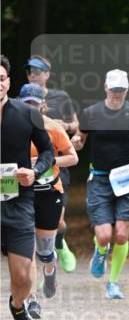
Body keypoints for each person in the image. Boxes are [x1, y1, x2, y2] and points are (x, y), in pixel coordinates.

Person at [73, 69, 129, 299]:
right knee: (104, 235)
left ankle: (113, 283)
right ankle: (100, 249)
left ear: (127, 89)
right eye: (114, 89)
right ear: (105, 87)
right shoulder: (91, 113)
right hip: (100, 177)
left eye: (121, 89)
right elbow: (80, 138)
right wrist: (76, 142)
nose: (117, 93)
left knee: (122, 235)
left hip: (127, 178)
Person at [0, 56, 54, 320]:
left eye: (1, 78)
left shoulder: (26, 114)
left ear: (8, 82)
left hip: (19, 200)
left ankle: (18, 306)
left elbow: (47, 151)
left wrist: (34, 172)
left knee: (22, 276)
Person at [18, 83, 78, 317]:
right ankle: (32, 299)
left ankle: (50, 270)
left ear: (42, 104)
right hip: (22, 193)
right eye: (27, 105)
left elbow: (72, 158)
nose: (31, 108)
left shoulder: (52, 128)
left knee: (44, 251)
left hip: (49, 192)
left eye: (35, 104)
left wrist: (47, 161)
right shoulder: (11, 127)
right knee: (27, 248)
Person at [25, 54, 78, 272]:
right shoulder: (22, 99)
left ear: (47, 74)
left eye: (38, 71)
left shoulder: (60, 97)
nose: (33, 75)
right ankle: (37, 270)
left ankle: (60, 244)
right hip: (28, 170)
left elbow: (76, 124)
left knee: (58, 221)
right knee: (29, 226)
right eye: (30, 71)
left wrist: (63, 127)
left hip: (57, 167)